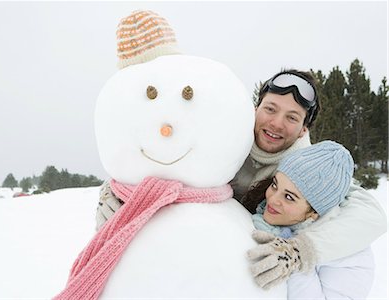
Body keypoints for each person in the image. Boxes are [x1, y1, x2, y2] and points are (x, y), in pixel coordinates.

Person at [95, 69, 387, 288]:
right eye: (270, 109)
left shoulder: (306, 170)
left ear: (303, 130)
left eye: (292, 117)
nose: (276, 123)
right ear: (255, 108)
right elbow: (166, 154)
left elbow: (372, 215)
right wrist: (119, 189)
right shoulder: (224, 139)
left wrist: (298, 252)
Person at [244, 141, 374, 298]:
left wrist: (293, 258)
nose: (272, 199)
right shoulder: (274, 214)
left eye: (289, 197)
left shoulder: (351, 254)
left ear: (314, 212)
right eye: (275, 185)